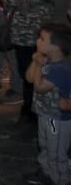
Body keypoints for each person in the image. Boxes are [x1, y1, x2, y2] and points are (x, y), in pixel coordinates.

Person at [0, 0, 59, 126]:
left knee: (33, 74)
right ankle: (27, 111)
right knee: (24, 71)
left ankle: (32, 116)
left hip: (32, 33)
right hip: (20, 31)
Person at [24, 24, 71, 185]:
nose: (38, 41)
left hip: (56, 119)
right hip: (45, 115)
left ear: (55, 47)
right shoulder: (47, 60)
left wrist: (38, 64)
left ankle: (60, 179)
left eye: (42, 39)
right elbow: (30, 78)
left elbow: (39, 87)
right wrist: (35, 61)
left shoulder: (61, 69)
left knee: (56, 151)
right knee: (44, 145)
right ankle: (46, 172)